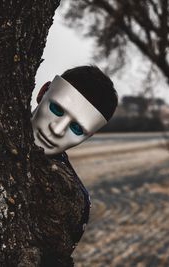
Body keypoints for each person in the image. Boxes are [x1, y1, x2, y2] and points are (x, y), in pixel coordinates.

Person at [31, 65, 118, 264]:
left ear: (89, 135)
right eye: (57, 109)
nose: (57, 130)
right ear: (44, 91)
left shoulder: (72, 196)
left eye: (77, 128)